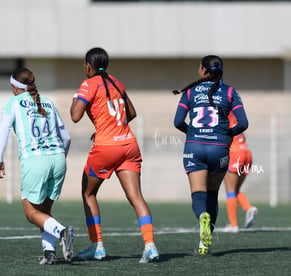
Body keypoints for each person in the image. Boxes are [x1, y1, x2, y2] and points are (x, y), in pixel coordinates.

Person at [70, 47, 159, 263]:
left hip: (107, 148)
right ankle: (150, 246)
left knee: (88, 193)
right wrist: (111, 126)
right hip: (128, 144)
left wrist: (76, 97)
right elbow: (131, 113)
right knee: (136, 196)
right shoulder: (116, 82)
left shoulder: (88, 83)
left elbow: (75, 115)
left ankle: (97, 247)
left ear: (88, 66)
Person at [0, 68, 74, 265]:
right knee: (44, 212)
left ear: (15, 87)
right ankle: (50, 254)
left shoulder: (13, 102)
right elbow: (66, 137)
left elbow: (3, 129)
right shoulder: (47, 101)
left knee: (31, 213)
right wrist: (59, 159)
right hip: (58, 159)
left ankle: (62, 232)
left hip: (35, 160)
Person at [173, 55, 248, 255]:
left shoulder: (189, 92)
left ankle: (202, 217)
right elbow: (243, 124)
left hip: (194, 147)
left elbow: (178, 122)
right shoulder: (230, 92)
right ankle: (204, 244)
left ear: (204, 71)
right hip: (220, 148)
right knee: (213, 193)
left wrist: (193, 133)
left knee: (198, 193)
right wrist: (226, 134)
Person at [223, 120, 258, 233]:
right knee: (235, 189)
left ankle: (234, 225)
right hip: (247, 152)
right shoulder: (234, 118)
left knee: (230, 190)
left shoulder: (222, 117)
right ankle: (249, 208)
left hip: (235, 153)